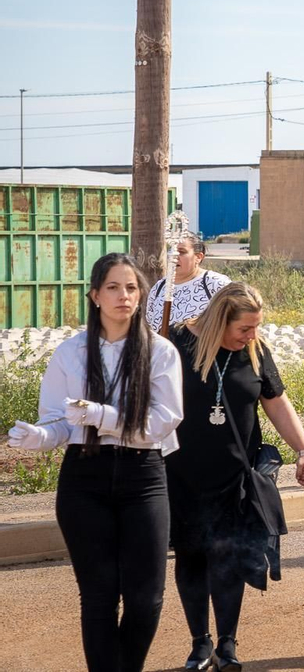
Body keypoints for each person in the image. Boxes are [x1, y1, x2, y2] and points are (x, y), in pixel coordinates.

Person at [8, 253, 183, 672]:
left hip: (143, 476)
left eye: (132, 288)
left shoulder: (160, 352)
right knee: (100, 595)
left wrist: (102, 415)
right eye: (113, 287)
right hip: (84, 477)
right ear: (94, 295)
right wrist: (40, 436)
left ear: (141, 296)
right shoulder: (70, 352)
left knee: (146, 597)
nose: (124, 296)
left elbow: (162, 422)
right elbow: (60, 421)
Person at [165, 282, 304, 672]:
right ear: (220, 320)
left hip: (236, 475)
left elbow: (276, 402)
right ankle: (200, 643)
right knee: (191, 556)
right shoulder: (177, 343)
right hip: (182, 473)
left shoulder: (255, 351)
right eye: (244, 329)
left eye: (257, 328)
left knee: (228, 557)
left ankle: (227, 644)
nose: (252, 335)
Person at [144, 232, 232, 332]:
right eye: (171, 250)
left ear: (198, 257)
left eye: (181, 252)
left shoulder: (216, 284)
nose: (174, 256)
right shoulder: (159, 288)